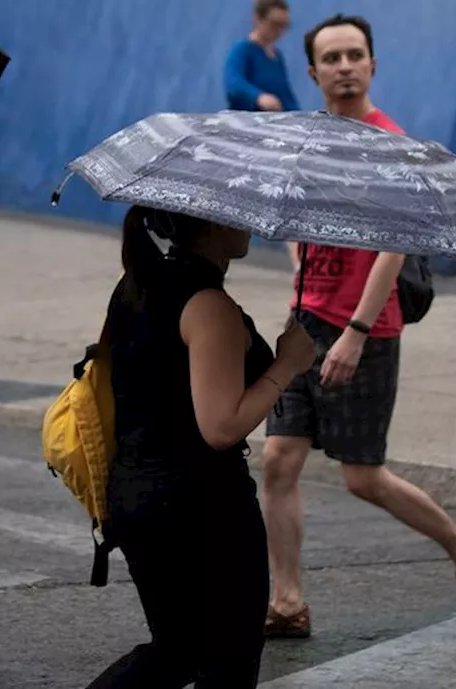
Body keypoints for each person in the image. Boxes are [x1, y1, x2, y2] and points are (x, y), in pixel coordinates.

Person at [259, 14, 456, 640]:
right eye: (332, 58)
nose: (345, 67)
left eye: (355, 55)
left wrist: (357, 331)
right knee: (279, 460)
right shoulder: (311, 141)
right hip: (304, 322)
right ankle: (287, 602)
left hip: (364, 330)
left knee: (361, 476)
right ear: (312, 72)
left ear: (372, 65)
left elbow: (397, 243)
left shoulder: (389, 142)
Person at [86, 206, 316, 688]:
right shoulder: (208, 305)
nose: (250, 223)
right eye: (240, 215)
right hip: (200, 507)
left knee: (177, 651)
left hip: (136, 492)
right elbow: (222, 426)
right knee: (227, 659)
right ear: (213, 224)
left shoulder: (139, 283)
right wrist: (288, 364)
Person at [223, 0, 299, 113]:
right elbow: (233, 84)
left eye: (284, 25)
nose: (280, 31)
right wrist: (258, 97)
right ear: (258, 19)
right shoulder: (243, 49)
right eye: (275, 24)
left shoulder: (277, 57)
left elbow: (286, 96)